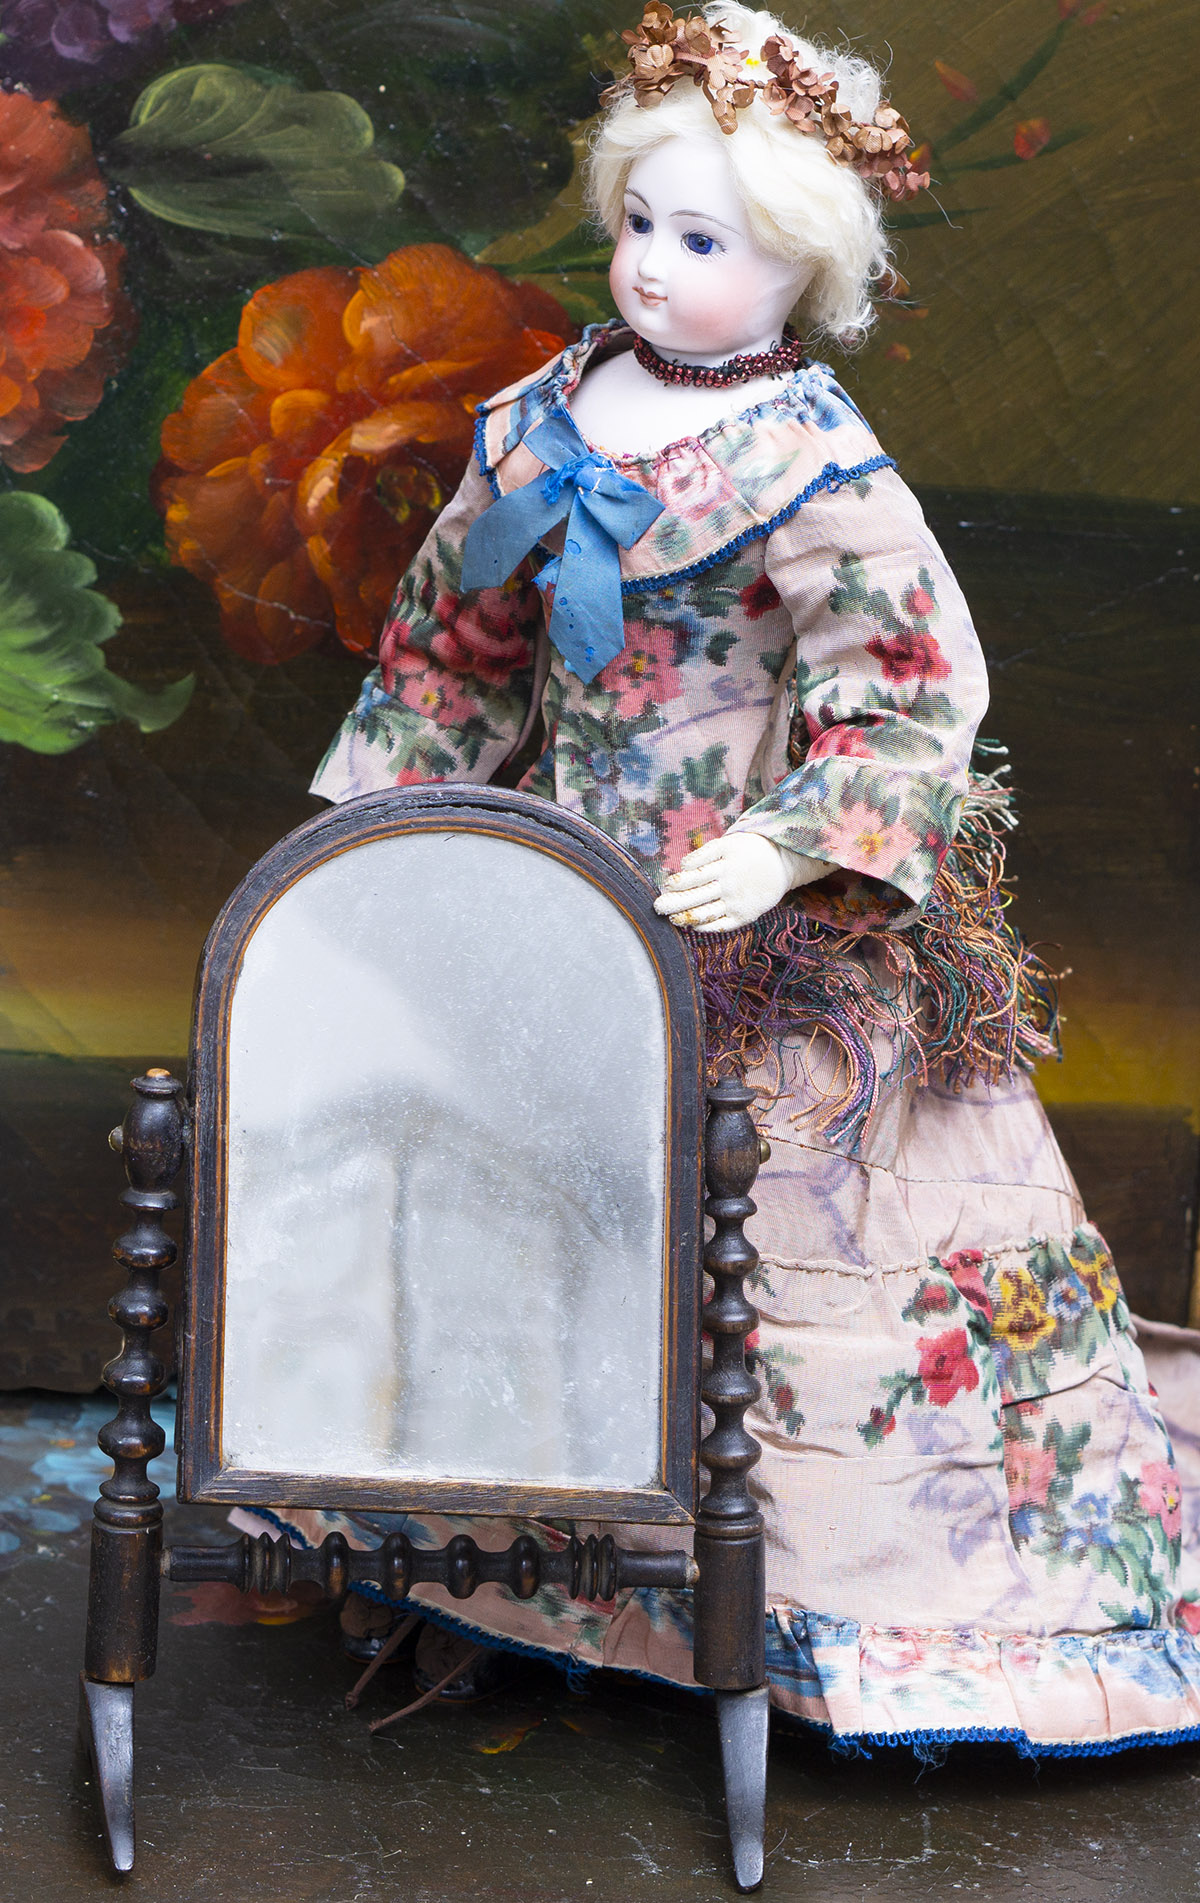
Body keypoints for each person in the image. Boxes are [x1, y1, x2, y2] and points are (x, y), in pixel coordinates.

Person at [236, 3, 1200, 1753]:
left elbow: (913, 685)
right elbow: (454, 640)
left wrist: (785, 841)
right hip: (552, 891)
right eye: (639, 225)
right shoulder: (549, 415)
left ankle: (822, 1603)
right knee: (507, 1205)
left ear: (800, 266)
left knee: (789, 1229)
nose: (653, 266)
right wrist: (382, 832)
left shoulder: (813, 464)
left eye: (705, 242)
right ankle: (524, 1572)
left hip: (743, 914)